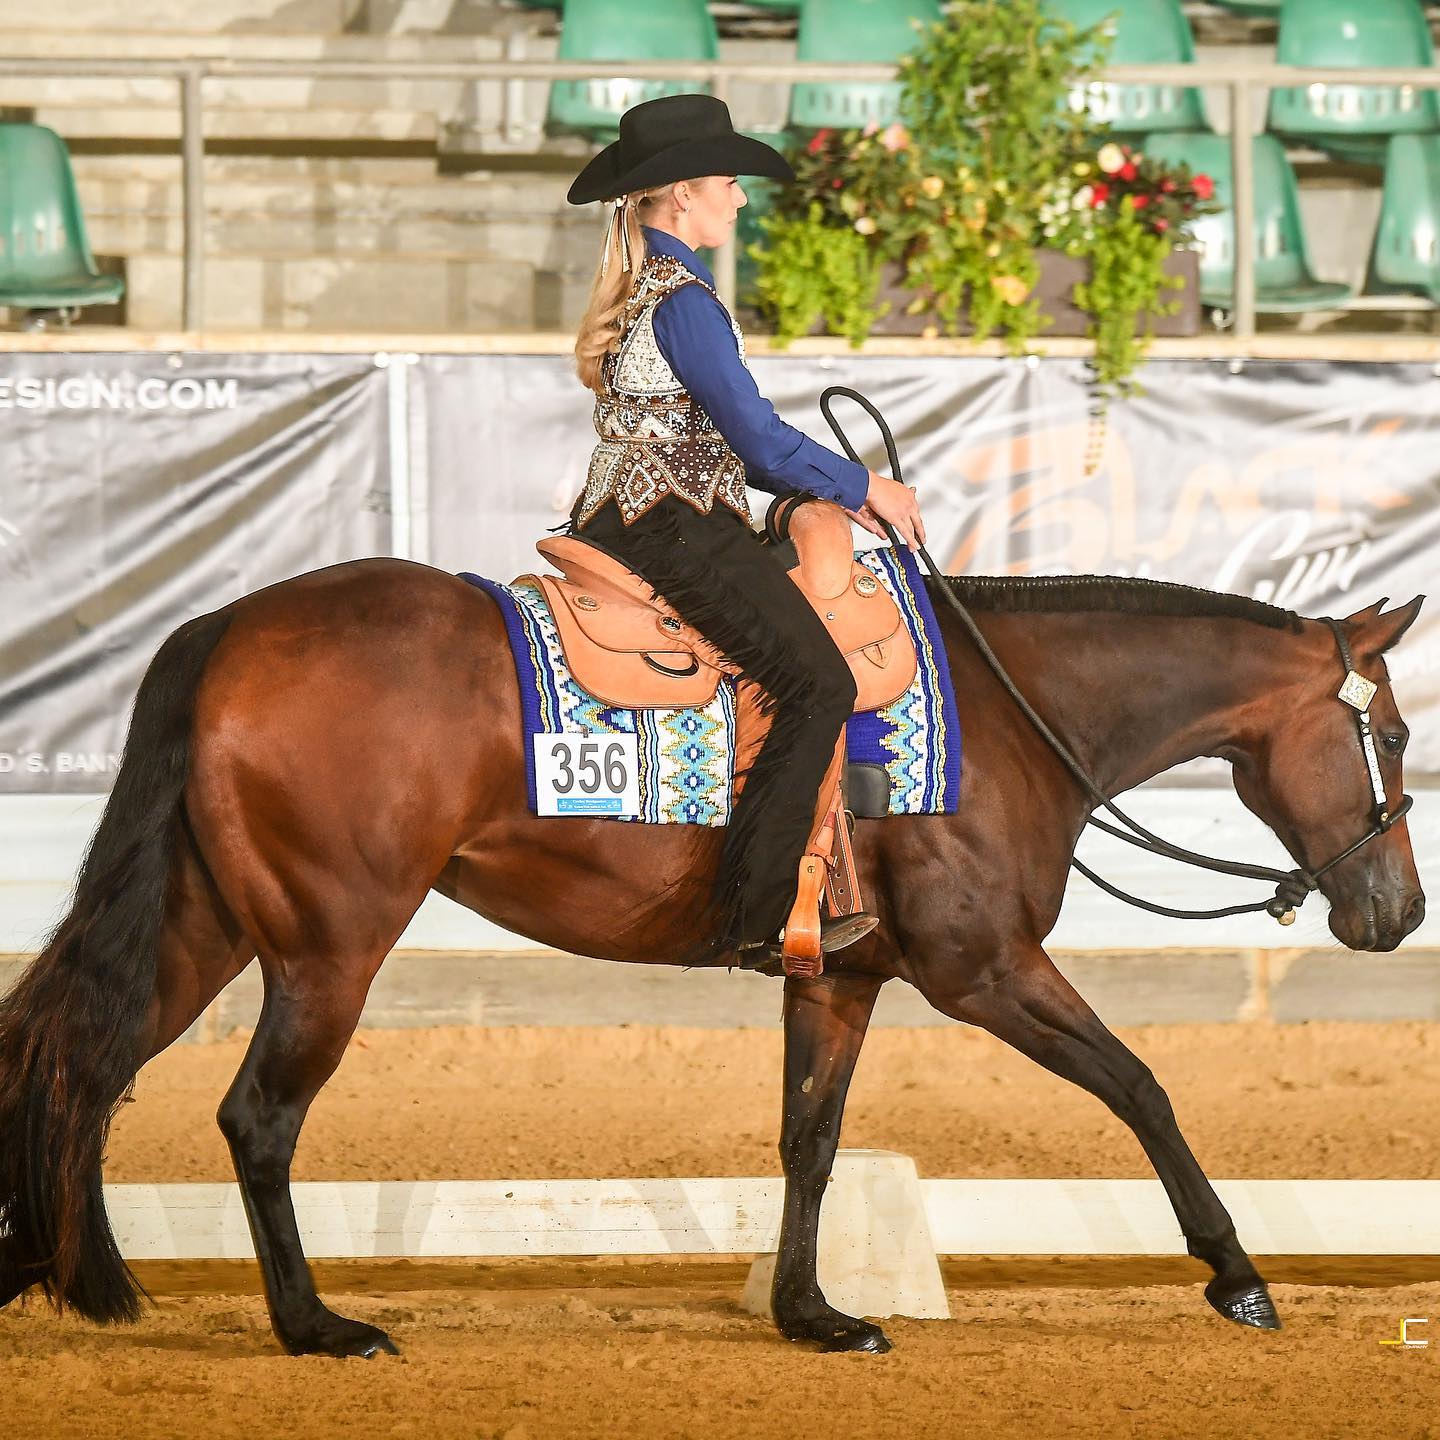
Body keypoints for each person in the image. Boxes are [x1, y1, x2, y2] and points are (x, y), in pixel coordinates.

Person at [565, 93, 925, 973]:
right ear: (683, 193)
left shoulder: (649, 286)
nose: (741, 198)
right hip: (674, 528)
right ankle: (762, 916)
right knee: (818, 684)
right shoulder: (684, 299)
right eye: (730, 182)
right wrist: (863, 483)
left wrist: (830, 489)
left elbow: (735, 445)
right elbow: (756, 437)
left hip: (641, 514)